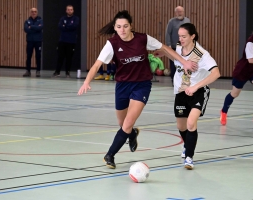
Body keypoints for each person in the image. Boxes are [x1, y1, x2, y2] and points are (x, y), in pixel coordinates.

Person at [77, 10, 197, 169]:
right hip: (122, 86)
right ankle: (132, 134)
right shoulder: (112, 44)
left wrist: (184, 62)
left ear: (131, 26)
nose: (122, 30)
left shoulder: (143, 39)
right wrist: (86, 81)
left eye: (125, 26)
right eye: (119, 27)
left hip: (141, 85)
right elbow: (97, 65)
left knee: (127, 123)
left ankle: (110, 155)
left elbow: (166, 49)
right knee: (123, 125)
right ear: (115, 27)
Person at [155, 23, 220, 169]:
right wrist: (164, 53)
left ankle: (189, 157)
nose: (181, 39)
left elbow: (216, 73)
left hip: (198, 92)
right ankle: (187, 145)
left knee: (191, 123)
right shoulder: (178, 47)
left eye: (184, 36)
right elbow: (176, 58)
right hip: (180, 92)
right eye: (179, 36)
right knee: (181, 125)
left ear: (193, 36)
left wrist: (196, 86)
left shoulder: (202, 54)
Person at [165, 6, 190, 84]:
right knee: (174, 65)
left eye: (181, 11)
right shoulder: (171, 22)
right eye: (178, 11)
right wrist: (168, 45)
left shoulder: (187, 21)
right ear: (175, 13)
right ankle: (174, 81)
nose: (179, 13)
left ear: (183, 11)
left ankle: (184, 80)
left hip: (185, 47)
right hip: (174, 47)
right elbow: (168, 33)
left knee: (185, 63)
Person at [53, 5, 79, 78]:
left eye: (71, 9)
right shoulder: (63, 18)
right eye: (68, 9)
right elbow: (60, 26)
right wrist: (68, 26)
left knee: (69, 58)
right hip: (62, 41)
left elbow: (74, 26)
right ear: (66, 10)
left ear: (73, 10)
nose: (69, 11)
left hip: (71, 41)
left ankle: (67, 72)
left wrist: (65, 26)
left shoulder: (76, 18)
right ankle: (57, 72)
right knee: (60, 57)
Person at [23, 8, 43, 77]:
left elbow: (40, 28)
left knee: (38, 56)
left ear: (37, 12)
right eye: (32, 12)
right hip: (30, 41)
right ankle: (28, 71)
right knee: (28, 56)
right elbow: (26, 30)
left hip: (38, 41)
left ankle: (38, 71)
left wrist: (31, 27)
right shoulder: (27, 21)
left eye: (35, 12)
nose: (33, 13)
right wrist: (36, 28)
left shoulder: (40, 20)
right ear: (30, 13)